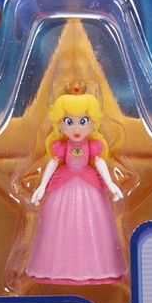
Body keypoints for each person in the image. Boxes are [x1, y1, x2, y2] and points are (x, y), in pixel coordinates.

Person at [27, 91, 126, 284]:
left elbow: (99, 162)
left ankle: (96, 267)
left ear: (93, 122)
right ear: (60, 124)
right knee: (58, 224)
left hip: (90, 184)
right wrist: (42, 186)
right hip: (63, 183)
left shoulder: (93, 146)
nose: (76, 128)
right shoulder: (61, 147)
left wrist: (111, 184)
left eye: (83, 121)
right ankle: (55, 267)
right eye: (69, 121)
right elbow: (53, 163)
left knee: (95, 224)